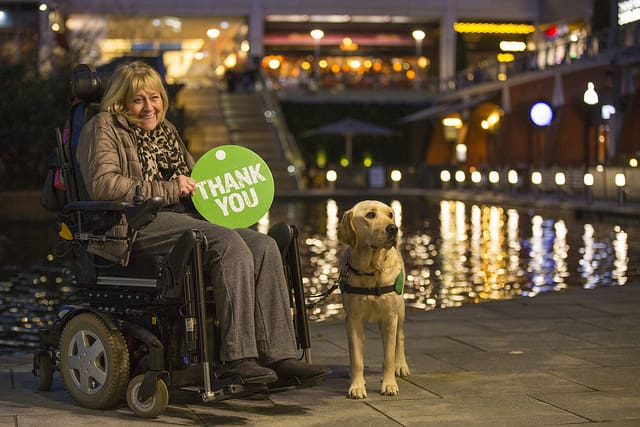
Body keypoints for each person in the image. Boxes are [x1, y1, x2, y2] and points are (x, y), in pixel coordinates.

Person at [75, 61, 331, 387]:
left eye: (154, 98)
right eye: (138, 100)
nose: (148, 107)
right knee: (227, 244)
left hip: (182, 219)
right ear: (120, 101)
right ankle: (239, 358)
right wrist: (169, 189)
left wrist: (222, 191)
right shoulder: (103, 127)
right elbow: (104, 185)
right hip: (132, 225)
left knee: (264, 245)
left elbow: (193, 181)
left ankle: (279, 356)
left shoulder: (166, 131)